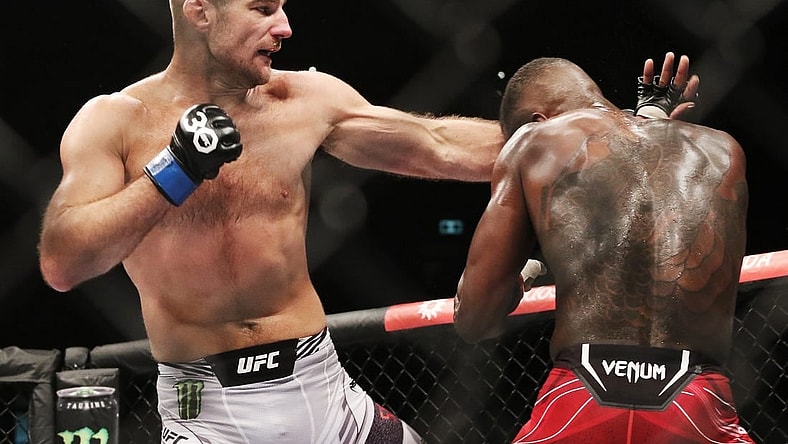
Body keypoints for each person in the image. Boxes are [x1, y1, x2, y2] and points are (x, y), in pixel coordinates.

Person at [36, 0, 694, 441]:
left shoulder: (304, 100)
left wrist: (621, 138)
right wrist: (175, 170)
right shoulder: (114, 121)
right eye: (263, 7)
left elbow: (434, 146)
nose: (285, 26)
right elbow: (64, 263)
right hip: (209, 409)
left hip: (323, 387)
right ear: (200, 9)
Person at [453, 56, 753, 443]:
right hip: (694, 402)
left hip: (578, 398)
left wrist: (519, 275)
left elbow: (474, 318)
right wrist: (651, 119)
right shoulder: (723, 150)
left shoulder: (534, 141)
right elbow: (644, 195)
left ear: (537, 121)